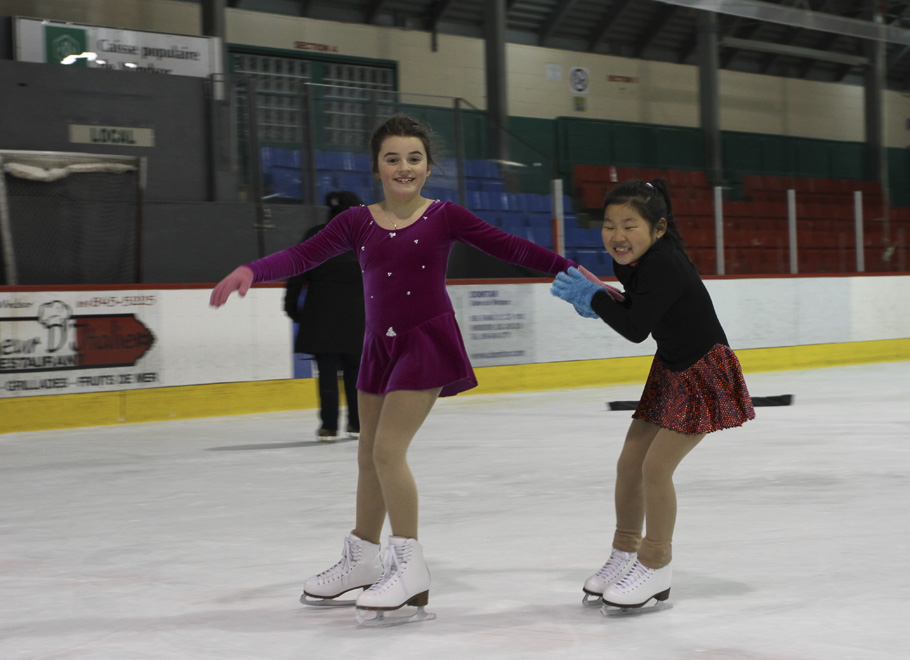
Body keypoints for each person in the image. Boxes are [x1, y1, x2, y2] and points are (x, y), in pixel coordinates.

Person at [210, 113, 576, 623]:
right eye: (393, 158)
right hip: (377, 347)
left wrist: (570, 269)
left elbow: (510, 246)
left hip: (425, 342)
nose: (404, 167)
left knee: (387, 451)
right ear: (376, 167)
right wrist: (253, 269)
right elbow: (302, 256)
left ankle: (408, 565)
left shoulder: (445, 216)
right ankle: (363, 557)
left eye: (414, 158)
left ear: (428, 167)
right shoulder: (356, 222)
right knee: (367, 456)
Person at [550, 178, 755, 611]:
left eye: (630, 226)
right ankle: (625, 552)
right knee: (630, 464)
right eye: (609, 225)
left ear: (658, 228)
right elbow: (640, 308)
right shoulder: (638, 261)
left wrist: (596, 299)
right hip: (671, 368)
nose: (617, 236)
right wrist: (604, 296)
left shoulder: (663, 262)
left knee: (656, 468)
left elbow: (635, 328)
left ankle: (656, 563)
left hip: (703, 371)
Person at [284, 191, 365, 442]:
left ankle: (329, 427)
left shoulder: (315, 235)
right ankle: (357, 424)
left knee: (327, 371)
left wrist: (292, 307)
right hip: (357, 317)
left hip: (321, 316)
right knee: (355, 372)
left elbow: (296, 273)